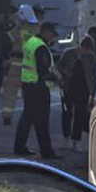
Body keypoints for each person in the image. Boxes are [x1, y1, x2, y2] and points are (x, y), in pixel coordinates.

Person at [14, 20, 60, 159]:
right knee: (42, 121)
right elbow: (43, 71)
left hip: (27, 85)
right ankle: (47, 151)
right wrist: (58, 79)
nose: (53, 38)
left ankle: (19, 147)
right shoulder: (41, 47)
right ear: (46, 32)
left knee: (27, 118)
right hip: (38, 88)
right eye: (52, 34)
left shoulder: (31, 42)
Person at [1, 3, 40, 126]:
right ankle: (32, 115)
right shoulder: (37, 29)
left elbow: (6, 42)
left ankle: (7, 116)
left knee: (10, 91)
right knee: (32, 92)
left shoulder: (16, 30)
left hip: (16, 63)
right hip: (32, 64)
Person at [64, 34, 96, 151]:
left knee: (79, 115)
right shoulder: (69, 53)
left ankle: (76, 140)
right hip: (68, 87)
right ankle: (67, 138)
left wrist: (92, 94)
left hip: (83, 89)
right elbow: (60, 67)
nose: (85, 52)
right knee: (67, 113)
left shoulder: (90, 57)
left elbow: (93, 77)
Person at [0, 6, 17, 95]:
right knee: (1, 69)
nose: (10, 15)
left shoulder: (17, 24)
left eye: (12, 13)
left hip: (13, 49)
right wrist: (1, 20)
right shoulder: (3, 22)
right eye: (9, 13)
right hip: (4, 48)